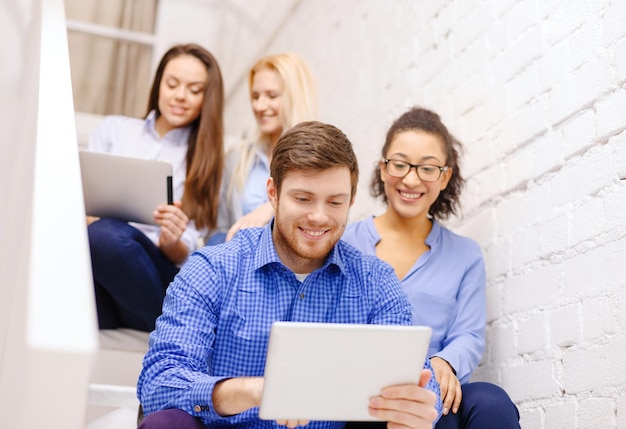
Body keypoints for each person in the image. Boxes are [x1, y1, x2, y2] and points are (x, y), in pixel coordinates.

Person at [136, 121, 442, 429]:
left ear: (350, 201)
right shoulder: (213, 269)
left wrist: (415, 408)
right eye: (303, 198)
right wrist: (254, 391)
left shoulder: (375, 281)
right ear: (273, 193)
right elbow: (159, 381)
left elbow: (420, 380)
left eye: (335, 202)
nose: (319, 217)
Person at [342, 107, 520, 429]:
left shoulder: (464, 255)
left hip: (433, 384)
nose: (410, 179)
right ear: (382, 169)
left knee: (491, 401)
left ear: (444, 177)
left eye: (427, 168)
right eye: (399, 164)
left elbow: (468, 334)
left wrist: (445, 361)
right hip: (362, 391)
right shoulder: (345, 243)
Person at [87, 43, 225, 332]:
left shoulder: (206, 160)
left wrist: (171, 239)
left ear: (207, 99)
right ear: (159, 83)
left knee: (105, 235)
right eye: (172, 84)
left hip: (154, 277)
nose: (180, 96)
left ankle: (171, 324)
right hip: (104, 274)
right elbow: (81, 198)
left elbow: (183, 250)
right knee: (94, 241)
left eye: (195, 90)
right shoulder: (114, 130)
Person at [210, 52, 318, 244]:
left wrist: (272, 207)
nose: (259, 106)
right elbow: (221, 228)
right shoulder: (237, 157)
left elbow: (322, 221)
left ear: (295, 97)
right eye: (255, 96)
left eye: (271, 96)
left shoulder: (323, 159)